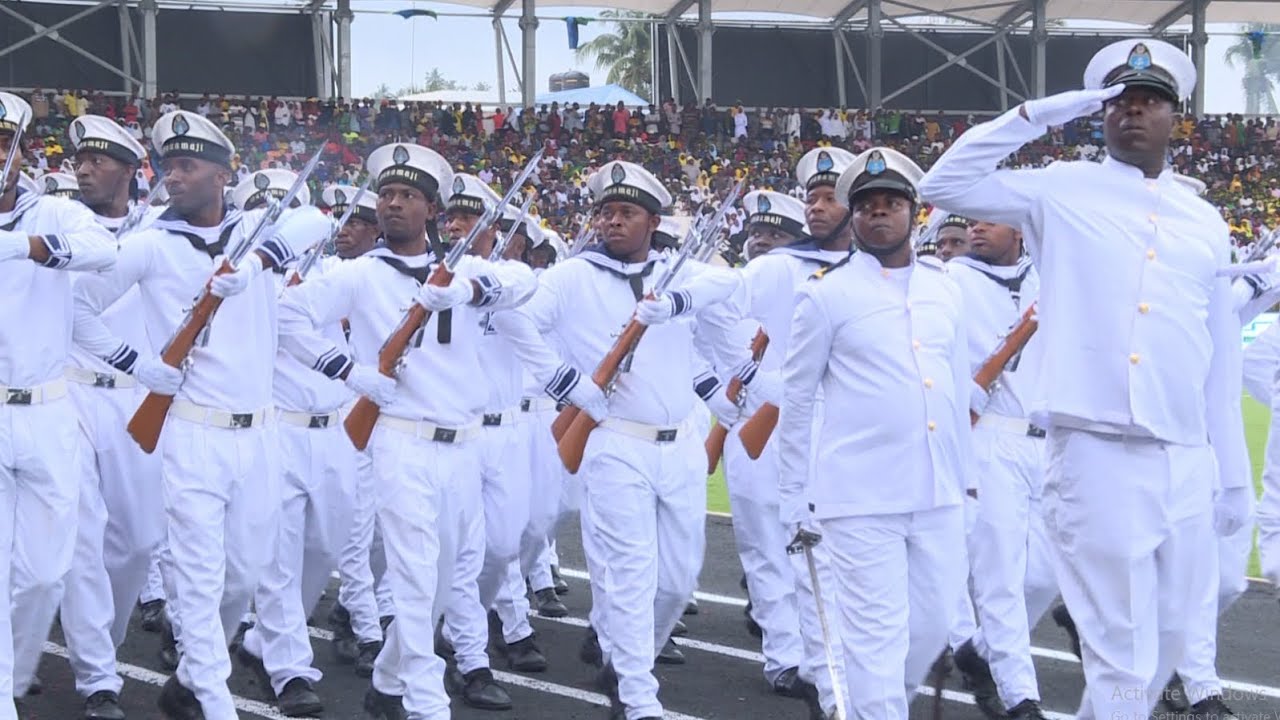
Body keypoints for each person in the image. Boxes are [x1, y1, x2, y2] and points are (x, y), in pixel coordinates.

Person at [918, 38, 1250, 720]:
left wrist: (1233, 472)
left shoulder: (1206, 221)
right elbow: (941, 186)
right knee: (1121, 653)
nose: (1134, 113)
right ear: (1099, 115)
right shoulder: (1059, 188)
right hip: (1096, 453)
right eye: (1120, 103)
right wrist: (1036, 114)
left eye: (1150, 101)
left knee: (1168, 644)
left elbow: (1219, 353)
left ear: (1175, 118)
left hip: (1185, 456)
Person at [72, 109, 331, 720]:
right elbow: (79, 311)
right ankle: (215, 703)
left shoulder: (258, 233)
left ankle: (189, 680)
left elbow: (317, 218)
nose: (174, 177)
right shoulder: (150, 246)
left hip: (261, 433)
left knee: (242, 579)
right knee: (198, 575)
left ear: (222, 174)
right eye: (168, 167)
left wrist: (261, 260)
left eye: (188, 165)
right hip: (192, 431)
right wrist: (139, 364)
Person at [277, 142, 536, 720]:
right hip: (400, 441)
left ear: (432, 212)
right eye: (386, 195)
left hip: (463, 448)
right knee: (416, 581)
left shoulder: (465, 271)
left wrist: (467, 291)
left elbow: (524, 282)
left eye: (408, 196)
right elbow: (287, 315)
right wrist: (350, 372)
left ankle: (388, 683)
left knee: (443, 584)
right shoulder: (359, 275)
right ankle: (426, 704)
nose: (393, 204)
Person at [492, 160, 739, 720]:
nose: (612, 222)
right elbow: (513, 318)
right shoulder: (573, 276)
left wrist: (677, 302)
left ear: (653, 221)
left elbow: (733, 283)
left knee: (676, 585)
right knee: (629, 576)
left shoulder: (678, 273)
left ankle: (618, 652)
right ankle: (635, 694)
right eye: (606, 212)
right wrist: (566, 381)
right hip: (615, 444)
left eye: (627, 213)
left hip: (679, 450)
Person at [777, 146, 971, 719]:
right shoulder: (825, 294)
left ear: (915, 213)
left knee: (931, 629)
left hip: (937, 494)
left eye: (890, 204)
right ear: (853, 216)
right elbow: (797, 400)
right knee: (875, 639)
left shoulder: (945, 288)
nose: (877, 215)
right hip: (859, 499)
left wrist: (970, 483)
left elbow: (956, 391)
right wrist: (795, 499)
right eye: (866, 206)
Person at [0, 91, 117, 720]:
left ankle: (15, 676)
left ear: (19, 152)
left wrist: (26, 247)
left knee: (44, 576)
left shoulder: (54, 211)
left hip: (48, 411)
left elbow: (105, 250)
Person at [232, 169, 352, 717]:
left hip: (332, 433)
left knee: (325, 550)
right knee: (277, 558)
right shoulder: (245, 279)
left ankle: (265, 638)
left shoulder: (337, 274)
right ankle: (289, 668)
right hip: (277, 428)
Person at [61, 113, 164, 720]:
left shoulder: (158, 231)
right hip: (69, 392)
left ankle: (107, 638)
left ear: (130, 171)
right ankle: (98, 678)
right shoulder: (59, 223)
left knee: (139, 542)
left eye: (100, 160)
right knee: (82, 537)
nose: (85, 167)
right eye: (81, 159)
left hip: (135, 397)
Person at [948, 218, 1055, 720]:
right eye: (972, 220)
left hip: (1048, 442)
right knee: (1001, 577)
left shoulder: (1050, 276)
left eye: (990, 220)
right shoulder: (952, 281)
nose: (976, 228)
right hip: (989, 434)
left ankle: (978, 649)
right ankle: (1020, 698)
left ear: (1019, 230)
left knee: (1045, 577)